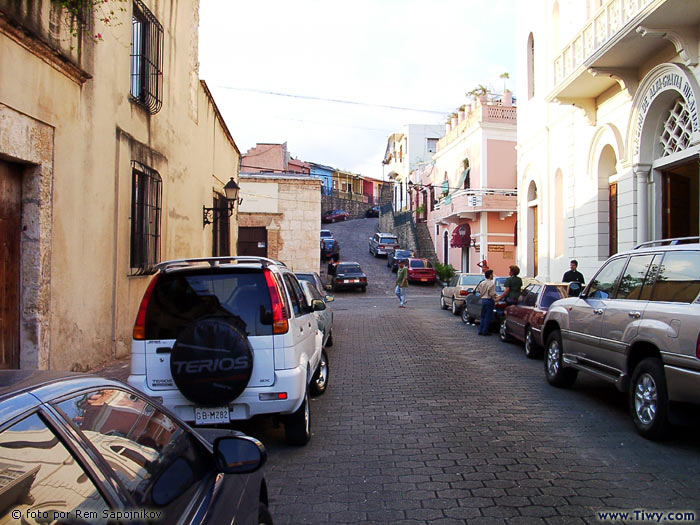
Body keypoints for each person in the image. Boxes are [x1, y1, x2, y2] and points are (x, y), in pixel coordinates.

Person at [473, 269, 498, 335]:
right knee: (488, 316)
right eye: (492, 274)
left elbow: (477, 290)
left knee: (483, 316)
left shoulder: (482, 282)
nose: (493, 276)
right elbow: (492, 293)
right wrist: (497, 297)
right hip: (489, 300)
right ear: (490, 275)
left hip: (483, 300)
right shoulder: (492, 283)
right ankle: (485, 330)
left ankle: (480, 330)